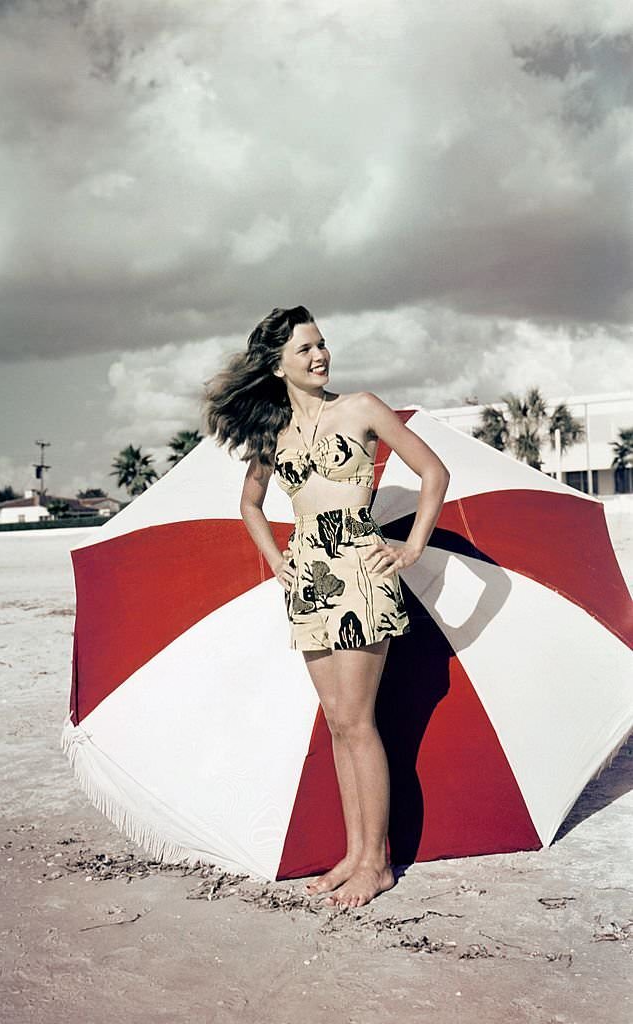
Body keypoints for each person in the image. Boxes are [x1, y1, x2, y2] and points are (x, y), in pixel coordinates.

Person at [204, 305, 450, 908]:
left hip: (361, 570)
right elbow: (251, 504)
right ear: (278, 364)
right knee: (339, 722)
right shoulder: (273, 431)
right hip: (310, 575)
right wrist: (278, 561)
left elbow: (433, 472)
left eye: (321, 344)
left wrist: (412, 547)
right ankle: (354, 853)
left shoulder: (361, 408)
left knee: (360, 722)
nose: (319, 357)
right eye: (304, 350)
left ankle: (379, 863)